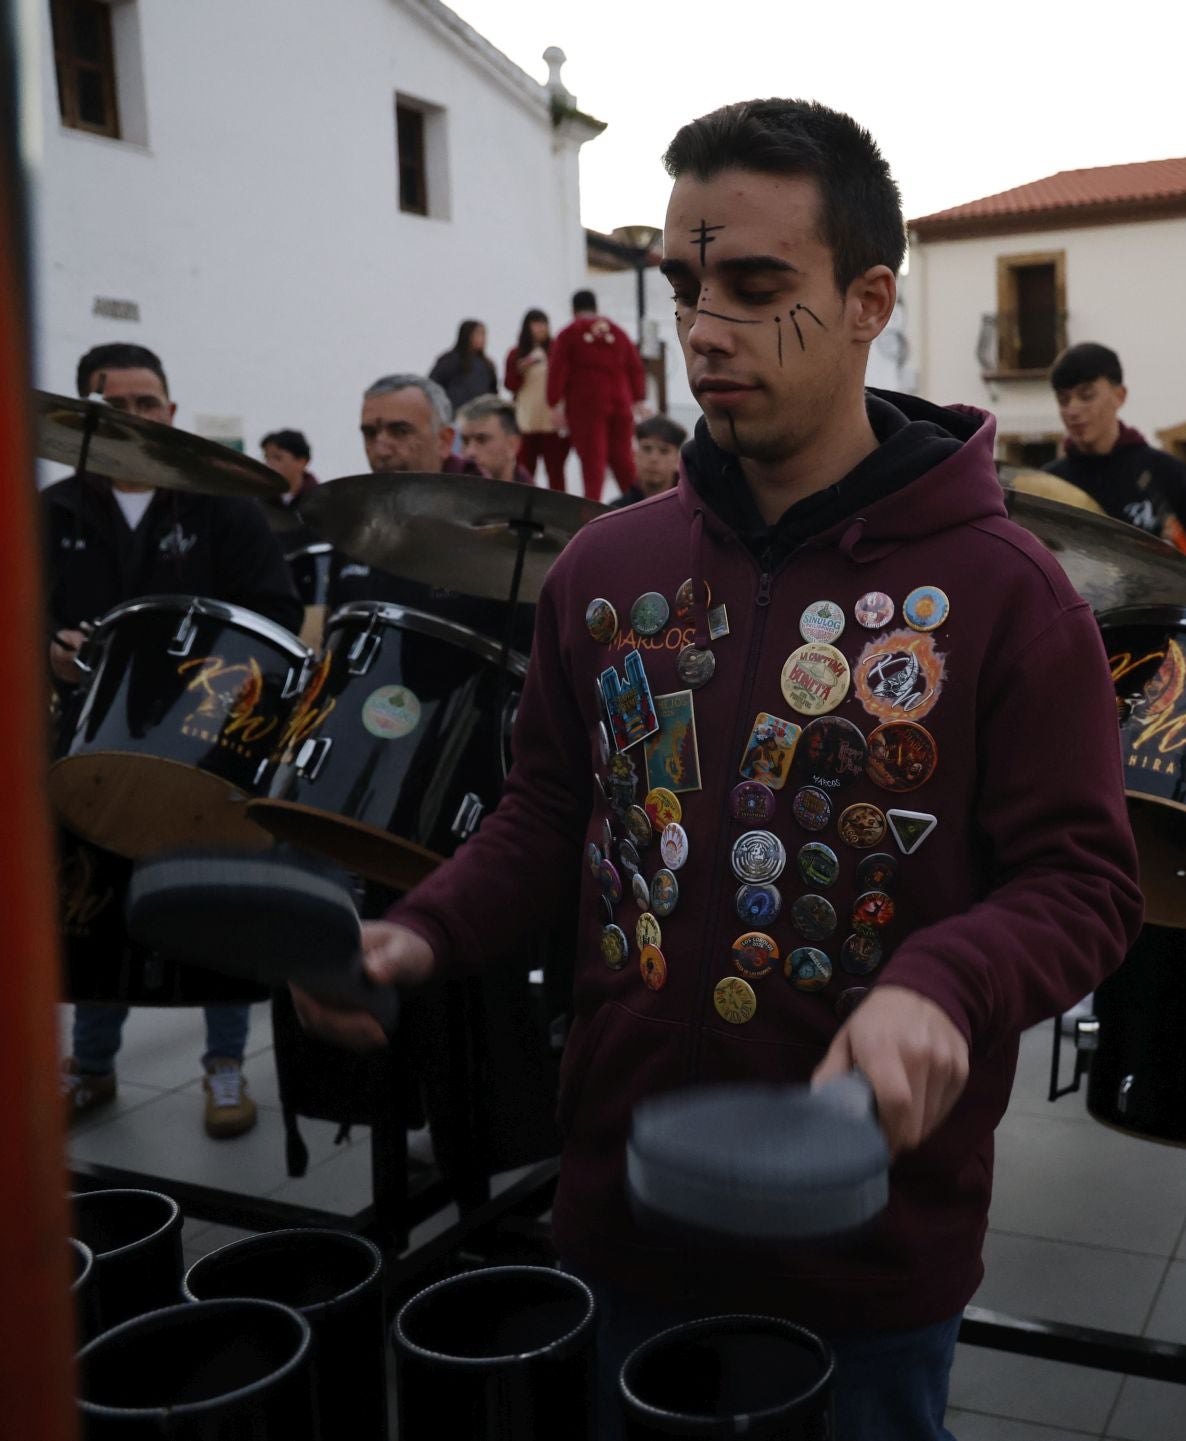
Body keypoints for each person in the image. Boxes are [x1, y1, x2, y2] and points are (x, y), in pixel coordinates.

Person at [292, 97, 1142, 1441]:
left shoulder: (1007, 592)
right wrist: (418, 936)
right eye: (688, 286)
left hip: (860, 1258)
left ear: (870, 301)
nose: (703, 328)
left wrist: (944, 982)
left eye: (756, 286)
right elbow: (552, 819)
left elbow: (1087, 880)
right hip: (620, 1219)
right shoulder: (605, 568)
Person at [47, 342, 302, 1137]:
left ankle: (225, 1068)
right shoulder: (49, 512)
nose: (135, 418)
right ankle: (91, 1065)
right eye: (114, 405)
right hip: (85, 751)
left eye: (148, 403)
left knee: (212, 909)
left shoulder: (224, 507)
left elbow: (276, 616)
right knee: (93, 906)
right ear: (84, 413)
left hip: (202, 751)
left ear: (173, 412)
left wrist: (210, 685)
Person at [333, 373, 531, 648]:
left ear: (444, 441)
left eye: (400, 431)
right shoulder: (354, 527)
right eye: (370, 433)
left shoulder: (497, 526)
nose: (381, 447)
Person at [1043, 341, 1186, 562]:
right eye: (1063, 400)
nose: (1072, 410)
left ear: (1120, 395)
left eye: (1086, 396)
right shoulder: (1047, 485)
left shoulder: (1168, 475)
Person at [547, 288, 645, 501]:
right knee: (624, 462)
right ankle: (640, 506)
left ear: (573, 309)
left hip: (586, 405)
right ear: (596, 307)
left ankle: (593, 516)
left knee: (593, 465)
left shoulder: (569, 333)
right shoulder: (617, 332)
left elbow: (557, 370)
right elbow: (634, 366)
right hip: (620, 401)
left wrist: (554, 403)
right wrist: (638, 398)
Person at [505, 308, 569, 490]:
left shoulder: (557, 351)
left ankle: (559, 512)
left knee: (556, 472)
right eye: (536, 323)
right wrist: (521, 368)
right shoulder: (516, 354)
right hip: (527, 421)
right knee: (524, 472)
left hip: (552, 423)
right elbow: (510, 385)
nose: (541, 328)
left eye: (543, 323)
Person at [456, 395, 534, 486]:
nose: (470, 452)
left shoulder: (536, 498)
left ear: (512, 445)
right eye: (465, 441)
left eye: (482, 440)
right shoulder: (446, 491)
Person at [428, 319, 499, 416]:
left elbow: (493, 393)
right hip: (454, 415)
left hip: (481, 417)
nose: (482, 338)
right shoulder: (449, 360)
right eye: (478, 334)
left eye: (484, 334)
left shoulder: (487, 364)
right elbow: (433, 385)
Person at [629, 414, 687, 501]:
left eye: (664, 451)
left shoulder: (691, 510)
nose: (654, 458)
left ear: (677, 460)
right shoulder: (616, 509)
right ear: (636, 455)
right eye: (647, 448)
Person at [260, 428, 321, 505]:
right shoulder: (257, 502)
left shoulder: (320, 501)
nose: (269, 464)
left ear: (301, 462)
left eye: (278, 458)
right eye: (267, 458)